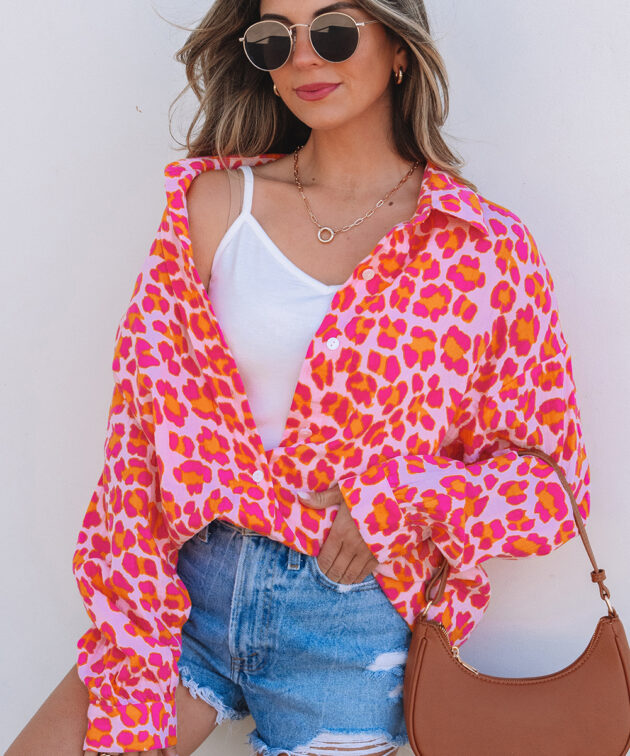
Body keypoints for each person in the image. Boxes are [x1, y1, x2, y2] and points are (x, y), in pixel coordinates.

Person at [7, 1, 592, 755]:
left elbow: (551, 486)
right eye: (273, 38)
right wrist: (131, 615)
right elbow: (137, 445)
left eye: (334, 30)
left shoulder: (481, 248)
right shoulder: (214, 206)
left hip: (353, 626)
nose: (304, 56)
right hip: (188, 596)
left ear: (400, 49)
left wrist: (396, 499)